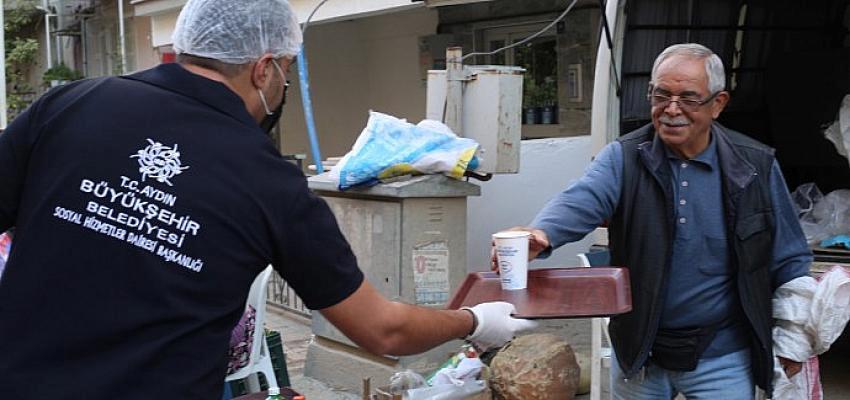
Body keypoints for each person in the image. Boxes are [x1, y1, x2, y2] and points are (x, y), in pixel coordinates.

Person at [0, 1, 535, 398]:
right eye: (287, 71)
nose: (282, 87)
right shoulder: (269, 181)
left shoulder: (71, 105)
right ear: (263, 68)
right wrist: (475, 321)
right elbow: (382, 327)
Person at [493, 43, 811, 399]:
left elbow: (792, 259)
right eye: (662, 95)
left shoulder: (755, 166)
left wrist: (792, 339)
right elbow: (581, 198)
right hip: (642, 354)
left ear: (718, 104)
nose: (672, 110)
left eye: (689, 98)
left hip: (723, 355)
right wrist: (541, 233)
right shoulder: (626, 157)